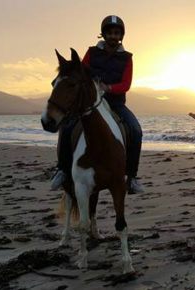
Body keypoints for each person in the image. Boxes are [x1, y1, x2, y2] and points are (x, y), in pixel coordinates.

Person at [50, 15, 144, 194]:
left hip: (116, 103)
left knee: (136, 130)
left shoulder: (127, 58)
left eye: (116, 33)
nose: (113, 37)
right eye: (110, 33)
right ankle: (62, 169)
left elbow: (126, 84)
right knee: (68, 127)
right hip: (90, 103)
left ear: (121, 36)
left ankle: (131, 177)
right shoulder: (92, 53)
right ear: (104, 34)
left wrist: (108, 87)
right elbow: (81, 72)